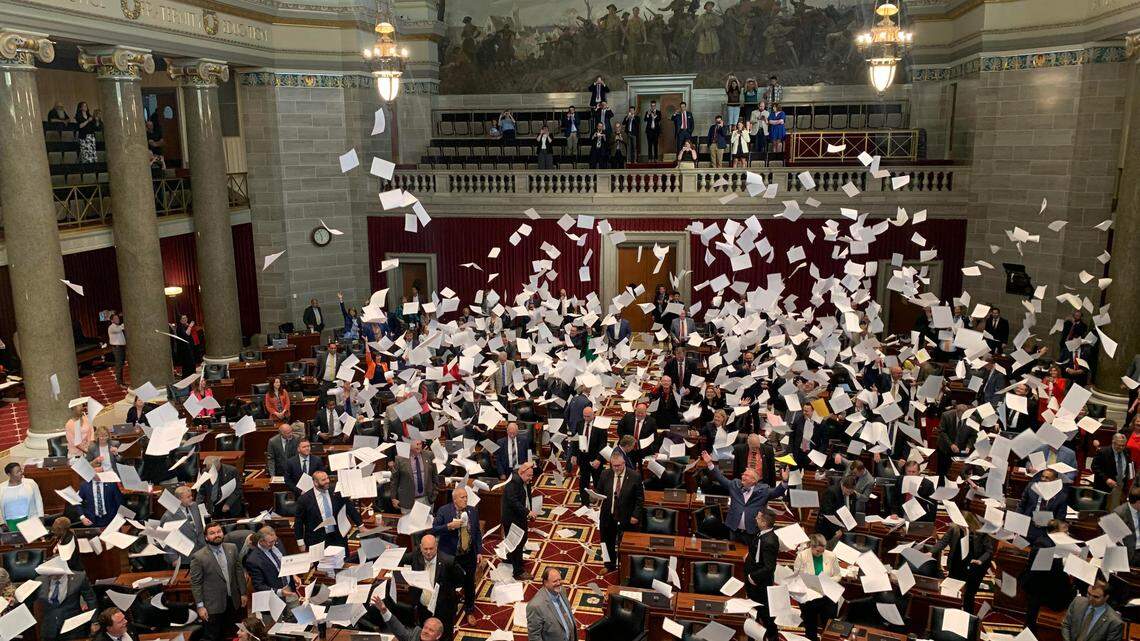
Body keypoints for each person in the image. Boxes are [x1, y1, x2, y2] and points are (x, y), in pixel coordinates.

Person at [701, 451, 788, 544]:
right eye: (743, 474)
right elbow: (720, 478)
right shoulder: (735, 485)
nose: (743, 476)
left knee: (750, 551)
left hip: (751, 532)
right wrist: (710, 463)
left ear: (754, 480)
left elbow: (777, 492)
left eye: (746, 475)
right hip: (734, 529)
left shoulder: (763, 490)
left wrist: (785, 481)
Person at [190, 522, 248, 641]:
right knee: (214, 637)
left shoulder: (232, 548)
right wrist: (200, 606)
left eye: (219, 532)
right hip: (213, 606)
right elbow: (196, 583)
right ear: (206, 537)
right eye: (212, 533)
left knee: (234, 635)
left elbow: (238, 571)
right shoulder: (198, 557)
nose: (217, 535)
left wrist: (243, 593)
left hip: (233, 602)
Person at [402, 534, 464, 639]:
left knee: (445, 637)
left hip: (443, 610)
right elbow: (401, 559)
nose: (428, 552)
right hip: (423, 609)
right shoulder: (415, 556)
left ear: (436, 546)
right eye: (425, 549)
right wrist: (389, 552)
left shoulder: (448, 561)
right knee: (426, 636)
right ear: (420, 547)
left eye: (431, 548)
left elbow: (460, 580)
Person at [431, 487, 481, 613]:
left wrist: (479, 551)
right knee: (449, 583)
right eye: (462, 497)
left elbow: (477, 533)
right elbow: (434, 529)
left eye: (466, 497)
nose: (465, 500)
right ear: (454, 499)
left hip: (469, 555)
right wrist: (448, 526)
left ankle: (469, 609)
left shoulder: (472, 511)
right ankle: (451, 609)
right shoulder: (444, 511)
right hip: (451, 556)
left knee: (469, 583)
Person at [930, 518, 993, 611]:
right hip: (956, 564)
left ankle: (968, 613)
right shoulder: (954, 528)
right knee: (952, 591)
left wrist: (980, 560)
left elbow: (989, 551)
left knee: (969, 595)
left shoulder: (982, 531)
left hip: (974, 567)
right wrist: (931, 552)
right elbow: (943, 541)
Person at [595, 451, 643, 571]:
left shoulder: (635, 476)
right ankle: (608, 565)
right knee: (606, 542)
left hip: (627, 517)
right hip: (608, 515)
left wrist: (635, 515)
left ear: (624, 463)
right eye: (613, 465)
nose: (616, 468)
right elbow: (599, 491)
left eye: (618, 465)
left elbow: (640, 499)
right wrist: (594, 496)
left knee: (626, 543)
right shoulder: (605, 474)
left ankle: (626, 567)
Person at [295, 470, 361, 550]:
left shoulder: (336, 492)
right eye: (323, 480)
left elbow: (350, 508)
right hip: (317, 540)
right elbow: (298, 522)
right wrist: (300, 542)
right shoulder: (304, 499)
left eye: (327, 478)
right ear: (315, 483)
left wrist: (360, 525)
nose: (327, 481)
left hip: (338, 537)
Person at [793, 534, 840, 641]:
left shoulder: (831, 556)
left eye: (822, 551)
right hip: (809, 597)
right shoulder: (802, 556)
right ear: (811, 546)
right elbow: (797, 577)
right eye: (818, 551)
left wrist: (828, 581)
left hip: (826, 596)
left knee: (829, 627)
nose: (820, 554)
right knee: (810, 627)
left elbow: (838, 575)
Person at [242, 526, 299, 612]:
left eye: (275, 540)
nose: (274, 543)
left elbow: (285, 561)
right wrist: (280, 592)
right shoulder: (253, 560)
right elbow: (259, 585)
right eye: (270, 542)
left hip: (290, 590)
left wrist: (293, 575)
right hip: (274, 599)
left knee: (298, 616)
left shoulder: (277, 542)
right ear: (261, 541)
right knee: (281, 620)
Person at [38, 569, 97, 641]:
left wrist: (95, 622)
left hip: (73, 629)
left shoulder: (79, 577)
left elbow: (91, 599)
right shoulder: (39, 580)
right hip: (49, 629)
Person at [747, 511, 780, 641]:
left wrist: (753, 577)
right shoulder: (762, 533)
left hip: (760, 584)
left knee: (764, 613)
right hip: (755, 583)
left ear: (764, 523)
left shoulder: (770, 541)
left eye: (758, 518)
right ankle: (753, 635)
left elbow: (769, 567)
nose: (756, 518)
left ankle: (772, 637)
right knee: (755, 610)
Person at [502, 461, 537, 579]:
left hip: (520, 516)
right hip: (512, 519)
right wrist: (528, 512)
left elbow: (527, 497)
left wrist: (529, 512)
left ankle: (511, 558)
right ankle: (518, 572)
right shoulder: (513, 484)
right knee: (517, 543)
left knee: (521, 540)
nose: (531, 478)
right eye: (529, 476)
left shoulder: (525, 481)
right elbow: (514, 502)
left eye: (532, 475)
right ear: (521, 473)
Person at [526, 568, 578, 641]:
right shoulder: (535, 606)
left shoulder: (562, 590)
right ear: (545, 583)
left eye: (559, 580)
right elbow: (534, 636)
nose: (559, 583)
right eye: (555, 581)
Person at [1016, 468, 1069, 542]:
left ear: (1055, 480)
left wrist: (1050, 524)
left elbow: (1060, 518)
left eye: (1047, 478)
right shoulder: (1031, 487)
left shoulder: (1061, 497)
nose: (1043, 479)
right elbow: (1021, 506)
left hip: (1046, 531)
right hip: (1027, 525)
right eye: (1042, 476)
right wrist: (1017, 523)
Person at [390, 439, 440, 513]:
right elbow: (394, 480)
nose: (419, 446)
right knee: (407, 520)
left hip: (427, 499)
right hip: (407, 501)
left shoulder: (429, 455)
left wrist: (434, 494)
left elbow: (435, 476)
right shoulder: (400, 459)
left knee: (427, 520)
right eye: (417, 444)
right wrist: (393, 498)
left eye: (420, 444)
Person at [368, 594, 445, 641]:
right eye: (425, 628)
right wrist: (384, 610)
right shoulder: (415, 635)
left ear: (438, 636)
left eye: (431, 630)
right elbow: (398, 628)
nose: (426, 631)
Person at [160, 486, 207, 562]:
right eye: (188, 497)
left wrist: (205, 547)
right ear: (179, 499)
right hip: (183, 557)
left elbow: (199, 529)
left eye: (191, 496)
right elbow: (166, 539)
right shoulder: (169, 516)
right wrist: (174, 558)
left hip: (201, 551)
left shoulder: (194, 506)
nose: (191, 498)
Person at [574, 407, 607, 506]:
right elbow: (576, 441)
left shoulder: (600, 426)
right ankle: (584, 503)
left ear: (594, 415)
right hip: (583, 458)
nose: (586, 418)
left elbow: (603, 444)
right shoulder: (579, 424)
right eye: (584, 416)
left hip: (595, 458)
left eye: (588, 416)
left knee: (597, 480)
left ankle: (598, 500)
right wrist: (574, 455)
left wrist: (599, 459)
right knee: (583, 482)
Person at [1091, 432, 1133, 508]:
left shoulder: (1127, 451)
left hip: (1120, 486)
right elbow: (1094, 467)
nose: (1121, 447)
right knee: (1102, 509)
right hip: (1105, 487)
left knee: (1116, 508)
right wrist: (1106, 479)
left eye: (1123, 445)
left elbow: (1128, 466)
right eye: (1119, 445)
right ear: (1113, 442)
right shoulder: (1103, 452)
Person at [0, 462, 43, 531]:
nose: (20, 473)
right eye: (17, 472)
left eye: (20, 470)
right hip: (10, 522)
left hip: (30, 519)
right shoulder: (1, 488)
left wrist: (41, 516)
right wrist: (2, 523)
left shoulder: (31, 483)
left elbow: (38, 500)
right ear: (9, 474)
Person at [815, 475, 857, 542]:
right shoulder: (831, 492)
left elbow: (852, 511)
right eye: (848, 491)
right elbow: (827, 512)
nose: (849, 494)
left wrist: (850, 525)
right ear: (842, 485)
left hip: (843, 527)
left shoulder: (853, 495)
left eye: (851, 491)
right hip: (827, 527)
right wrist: (836, 529)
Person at [78, 464, 123, 528]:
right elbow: (77, 502)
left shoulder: (111, 483)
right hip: (91, 520)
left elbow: (119, 501)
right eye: (96, 472)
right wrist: (82, 517)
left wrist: (120, 518)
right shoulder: (84, 485)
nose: (99, 475)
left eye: (101, 472)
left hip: (110, 519)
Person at [616, 401, 657, 465]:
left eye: (642, 413)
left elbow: (654, 437)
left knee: (641, 467)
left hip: (642, 449)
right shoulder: (628, 417)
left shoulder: (651, 422)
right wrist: (625, 440)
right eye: (638, 412)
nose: (640, 415)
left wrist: (655, 450)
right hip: (627, 447)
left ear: (646, 412)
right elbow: (619, 429)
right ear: (635, 410)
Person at [107, 313, 126, 386]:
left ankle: (121, 381)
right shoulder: (111, 327)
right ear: (112, 320)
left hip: (121, 348)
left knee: (121, 364)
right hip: (117, 348)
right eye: (115, 318)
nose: (117, 319)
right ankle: (119, 382)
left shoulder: (118, 326)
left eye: (117, 318)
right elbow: (119, 329)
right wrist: (126, 320)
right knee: (119, 365)